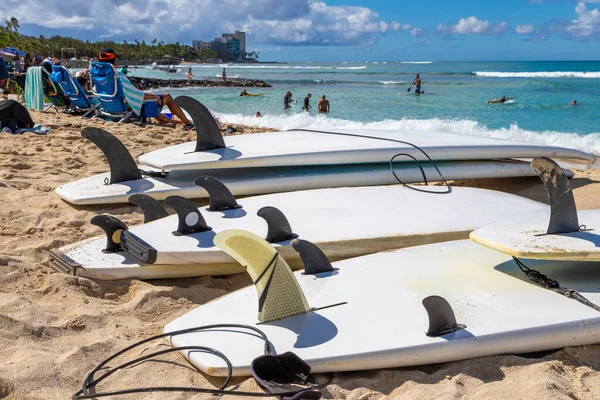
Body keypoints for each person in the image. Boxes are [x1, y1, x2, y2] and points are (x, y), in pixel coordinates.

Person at [98, 49, 192, 126]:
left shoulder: (99, 76)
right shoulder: (118, 75)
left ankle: (172, 121)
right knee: (166, 97)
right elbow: (135, 94)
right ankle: (188, 123)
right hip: (126, 107)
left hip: (109, 105)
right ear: (115, 60)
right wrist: (154, 96)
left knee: (150, 102)